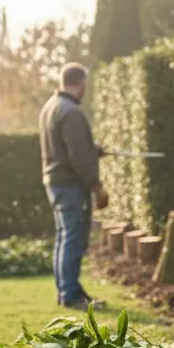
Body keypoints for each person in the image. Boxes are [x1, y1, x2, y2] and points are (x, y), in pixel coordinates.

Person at [39, 62, 108, 309]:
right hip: (71, 185)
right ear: (82, 83)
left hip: (55, 183)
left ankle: (68, 290)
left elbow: (67, 148)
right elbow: (76, 156)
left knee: (64, 237)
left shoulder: (51, 107)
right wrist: (96, 186)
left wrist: (92, 151)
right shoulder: (71, 112)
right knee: (73, 239)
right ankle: (70, 295)